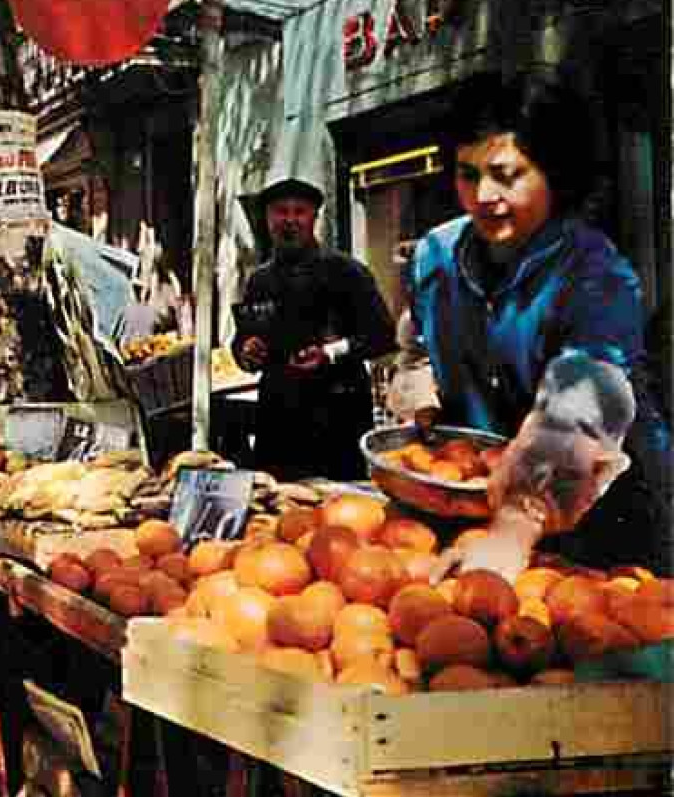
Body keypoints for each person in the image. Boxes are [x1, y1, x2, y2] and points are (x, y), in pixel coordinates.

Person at [392, 73, 672, 577]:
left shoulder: (596, 275)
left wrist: (519, 522)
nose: (483, 195)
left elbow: (582, 404)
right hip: (482, 517)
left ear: (555, 174)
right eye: (467, 174)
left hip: (603, 517)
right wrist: (420, 392)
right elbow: (416, 346)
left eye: (507, 174)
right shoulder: (434, 256)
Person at [231, 176, 396, 481]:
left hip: (338, 416)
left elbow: (383, 336)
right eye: (280, 211)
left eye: (299, 211)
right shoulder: (259, 280)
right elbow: (243, 336)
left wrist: (331, 353)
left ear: (314, 218)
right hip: (278, 418)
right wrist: (246, 350)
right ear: (268, 219)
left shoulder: (347, 271)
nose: (290, 220)